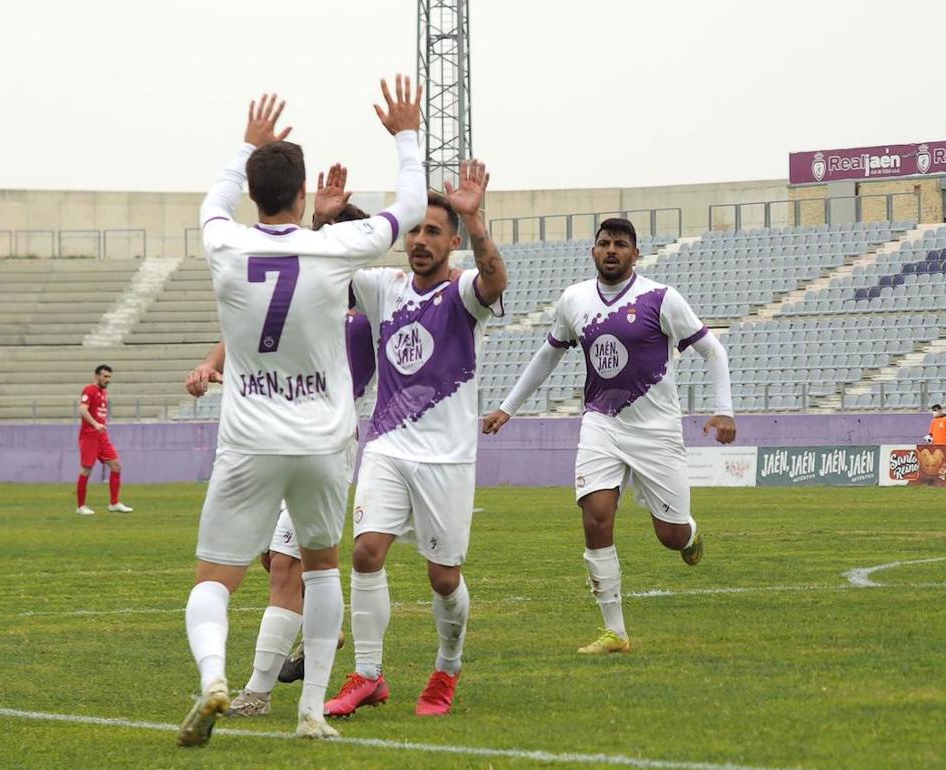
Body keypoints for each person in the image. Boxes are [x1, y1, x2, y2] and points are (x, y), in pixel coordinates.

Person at [177, 77, 426, 747]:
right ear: (305, 189)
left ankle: (212, 682)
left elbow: (213, 202)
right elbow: (410, 205)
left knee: (214, 581)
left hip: (250, 441)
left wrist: (246, 145)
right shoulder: (332, 247)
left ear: (254, 192)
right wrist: (405, 132)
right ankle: (311, 710)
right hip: (322, 443)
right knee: (320, 568)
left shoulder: (224, 243)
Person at [482, 217, 736, 655]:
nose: (612, 250)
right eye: (604, 243)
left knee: (670, 536)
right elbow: (548, 356)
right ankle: (614, 631)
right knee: (596, 515)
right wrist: (508, 407)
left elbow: (713, 351)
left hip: (656, 432)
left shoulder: (661, 298)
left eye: (621, 244)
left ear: (635, 253)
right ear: (593, 252)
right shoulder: (574, 300)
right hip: (602, 424)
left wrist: (724, 411)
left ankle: (690, 533)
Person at [324, 158, 507, 720]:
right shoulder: (383, 289)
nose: (421, 241)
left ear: (451, 239)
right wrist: (325, 220)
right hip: (387, 444)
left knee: (442, 577)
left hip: (447, 459)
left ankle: (447, 668)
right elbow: (331, 263)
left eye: (433, 231)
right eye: (415, 230)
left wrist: (477, 224)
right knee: (365, 551)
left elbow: (494, 280)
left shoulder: (463, 297)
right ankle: (369, 675)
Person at [184, 196, 377, 720]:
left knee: (289, 565)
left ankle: (258, 690)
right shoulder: (303, 287)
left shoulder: (373, 305)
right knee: (275, 559)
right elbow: (244, 327)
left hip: (323, 442)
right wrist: (209, 364)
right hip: (273, 437)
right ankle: (317, 630)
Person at [76, 364, 132, 515]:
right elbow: (82, 409)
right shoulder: (89, 390)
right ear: (97, 376)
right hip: (89, 436)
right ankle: (81, 507)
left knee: (116, 466)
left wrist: (100, 426)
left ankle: (114, 503)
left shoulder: (103, 393)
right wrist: (95, 424)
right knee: (86, 470)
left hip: (102, 437)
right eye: (105, 376)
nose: (108, 380)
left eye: (109, 377)